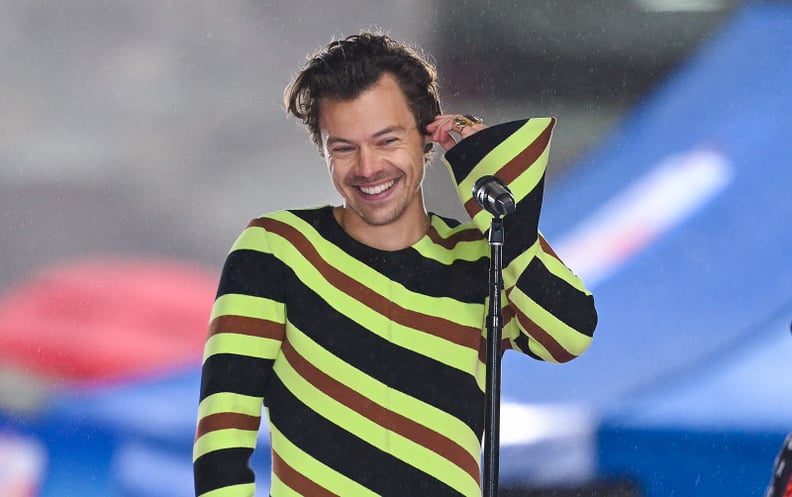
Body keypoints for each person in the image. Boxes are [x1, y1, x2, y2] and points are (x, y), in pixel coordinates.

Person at [192, 31, 597, 497]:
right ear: (323, 150)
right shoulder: (276, 248)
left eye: (386, 140)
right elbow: (224, 435)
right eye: (343, 147)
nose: (367, 167)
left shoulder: (482, 254)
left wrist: (492, 176)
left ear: (426, 137)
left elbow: (569, 334)